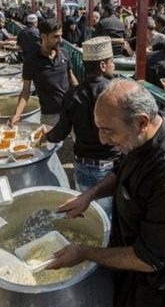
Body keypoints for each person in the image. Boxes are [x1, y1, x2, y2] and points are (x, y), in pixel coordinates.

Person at [49, 79, 165, 307]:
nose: (102, 140)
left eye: (108, 131)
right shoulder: (140, 137)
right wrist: (89, 195)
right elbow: (120, 171)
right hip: (133, 269)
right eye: (99, 128)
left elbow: (149, 258)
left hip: (162, 286)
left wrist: (84, 252)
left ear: (141, 122)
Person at [44, 37, 120, 216]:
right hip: (110, 170)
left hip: (83, 167)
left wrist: (46, 136)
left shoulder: (72, 95)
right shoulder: (115, 93)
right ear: (102, 65)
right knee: (107, 218)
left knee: (88, 214)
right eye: (112, 62)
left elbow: (60, 133)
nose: (113, 66)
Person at [10, 19, 79, 127]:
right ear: (43, 37)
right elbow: (25, 91)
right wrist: (17, 115)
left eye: (61, 36)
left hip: (71, 110)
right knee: (53, 144)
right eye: (55, 36)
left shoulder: (64, 54)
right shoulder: (31, 61)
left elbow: (72, 78)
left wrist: (82, 98)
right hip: (50, 116)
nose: (60, 40)